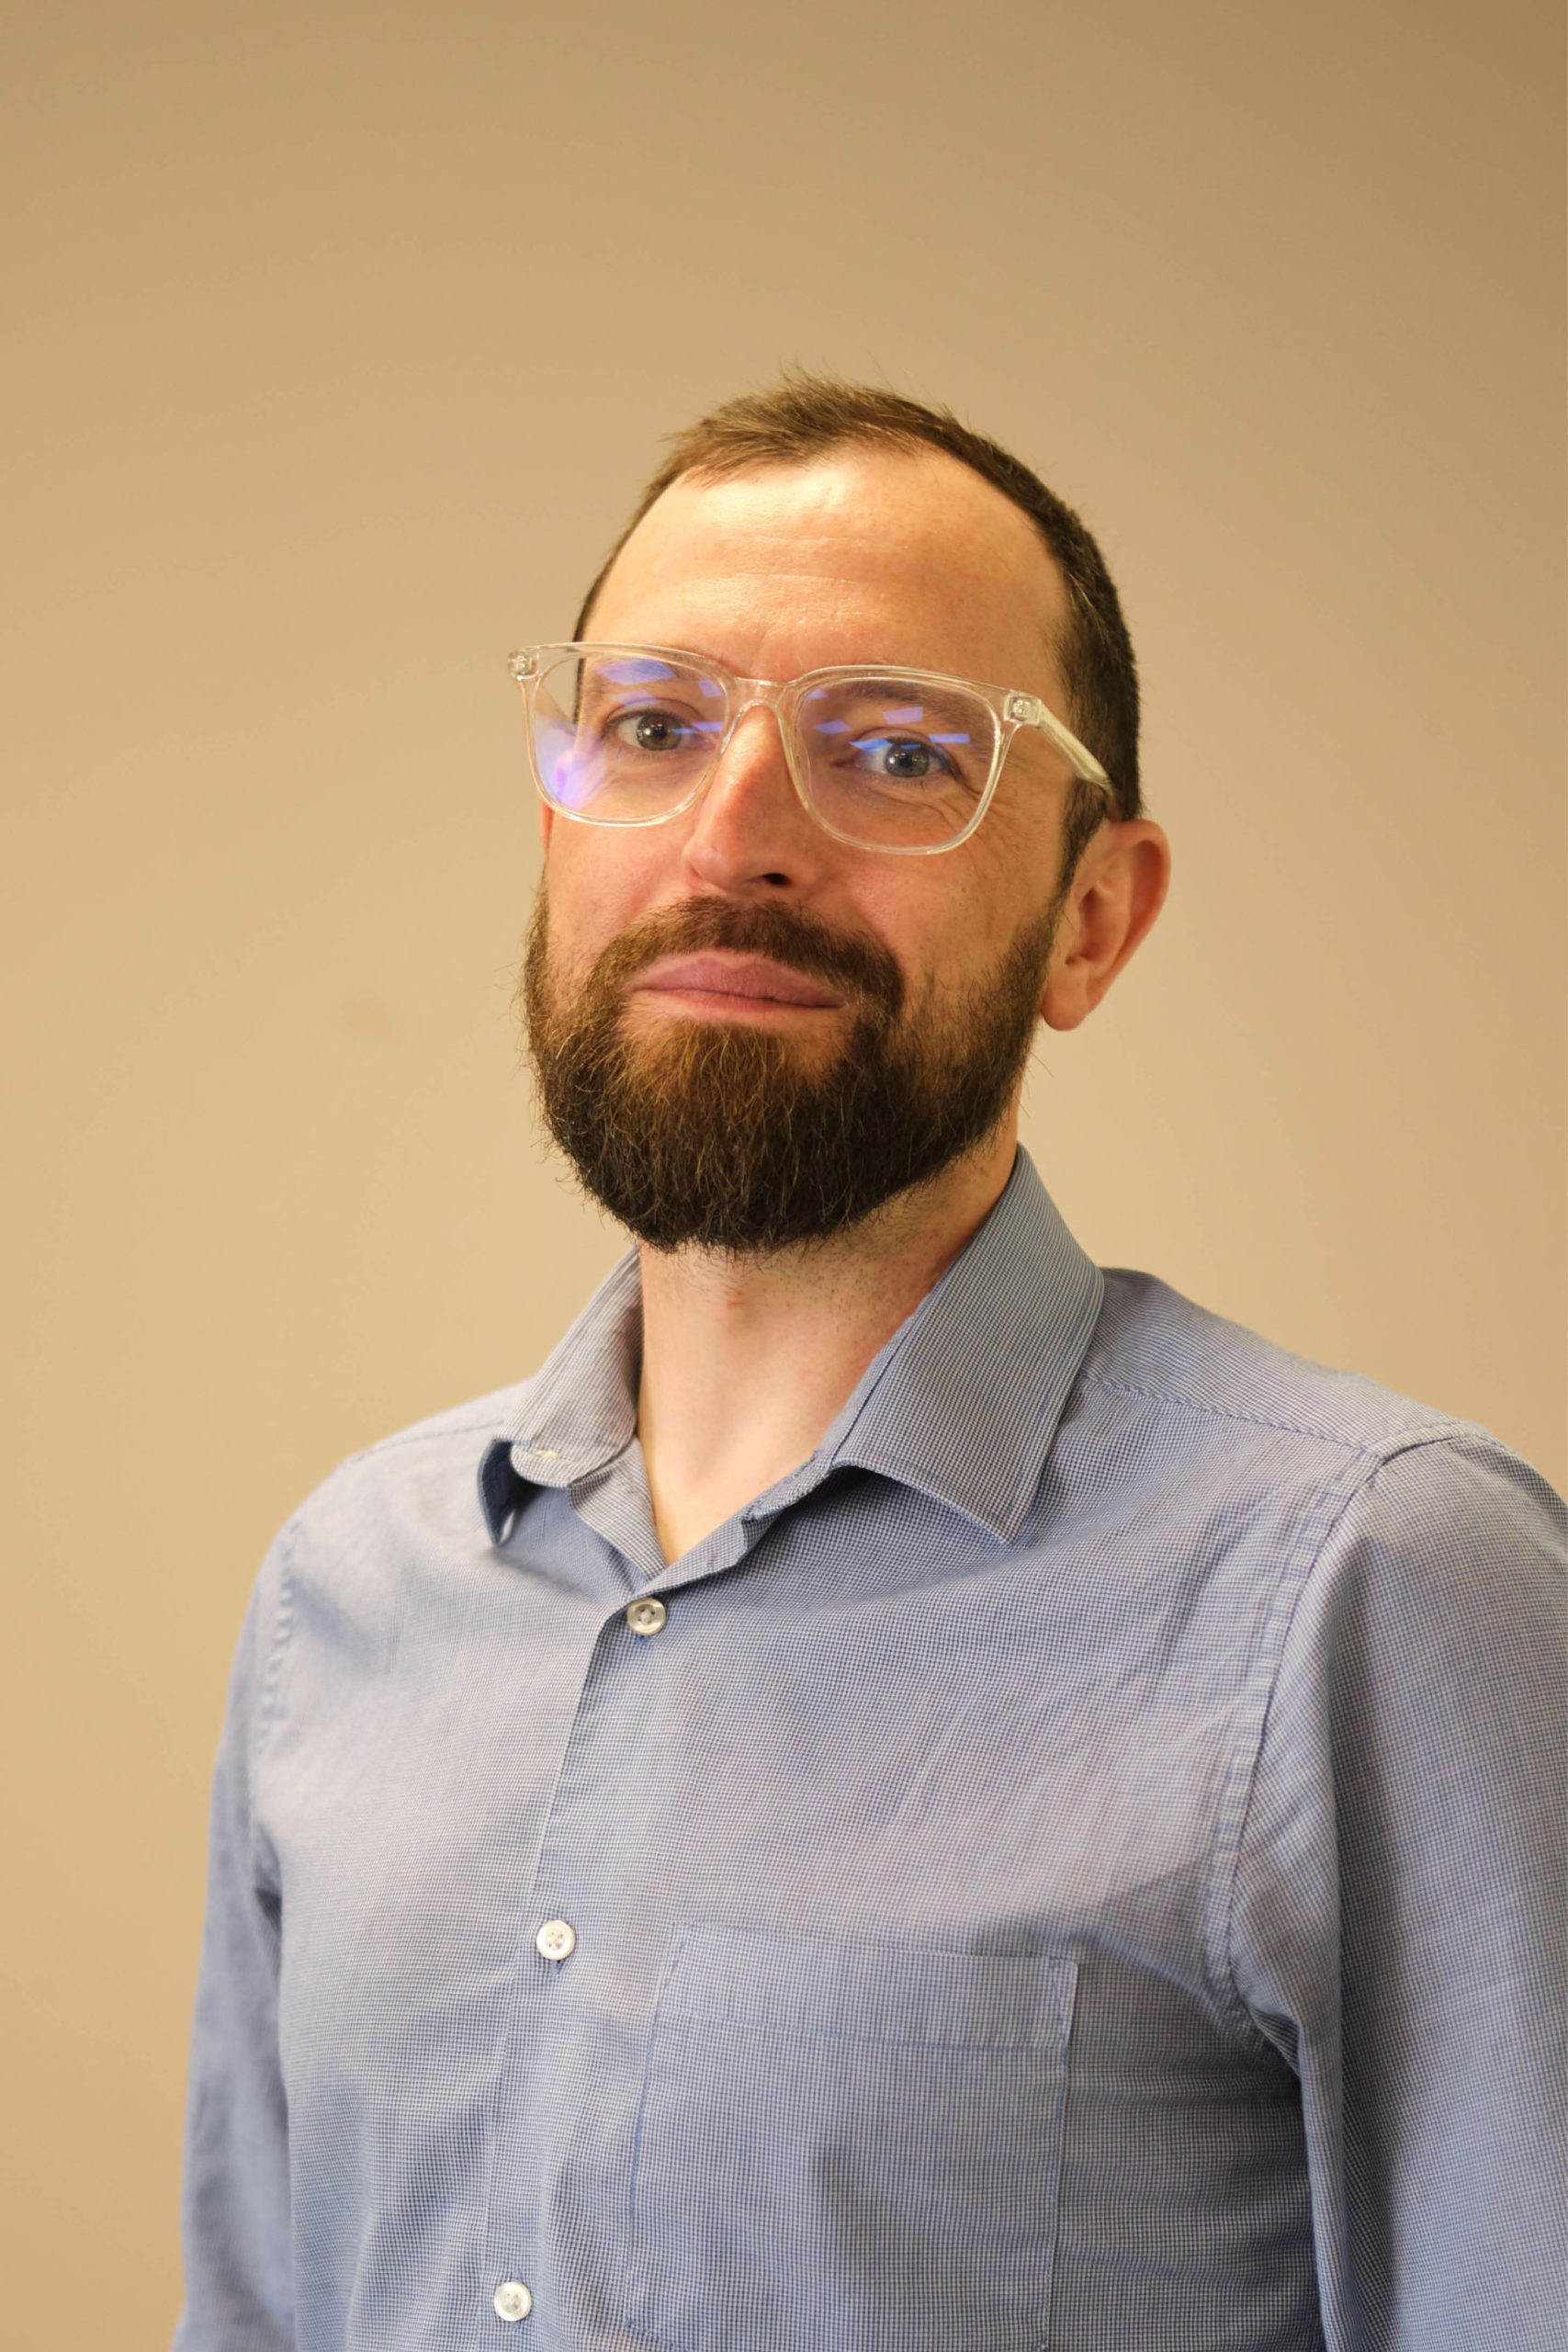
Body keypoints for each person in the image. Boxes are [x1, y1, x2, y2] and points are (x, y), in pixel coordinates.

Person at [173, 378, 1565, 2352]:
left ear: (1091, 918)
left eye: (897, 750)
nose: (732, 837)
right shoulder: (345, 1587)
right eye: (651, 726)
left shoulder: (1370, 1585)